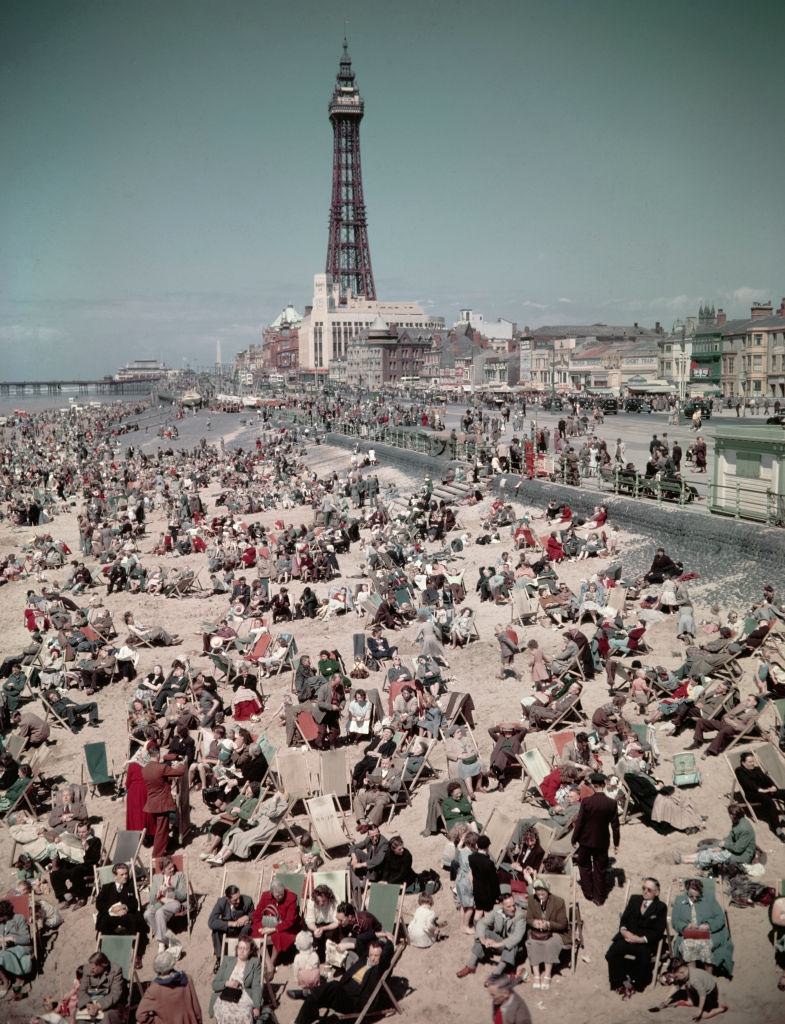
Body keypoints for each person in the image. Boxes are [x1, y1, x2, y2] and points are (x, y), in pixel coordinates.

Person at [289, 938, 393, 1023]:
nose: (373, 958)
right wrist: (380, 935)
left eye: (376, 956)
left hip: (353, 1002)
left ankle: (307, 992)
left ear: (381, 956)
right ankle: (299, 1022)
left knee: (333, 985)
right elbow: (362, 939)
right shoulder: (363, 959)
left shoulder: (379, 968)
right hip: (343, 992)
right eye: (371, 955)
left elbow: (388, 951)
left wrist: (389, 940)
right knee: (314, 997)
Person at [605, 877, 667, 994]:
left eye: (649, 890)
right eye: (644, 888)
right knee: (611, 954)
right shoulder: (634, 899)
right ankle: (617, 982)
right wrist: (624, 931)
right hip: (627, 937)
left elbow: (658, 931)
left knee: (644, 959)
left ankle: (635, 983)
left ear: (656, 892)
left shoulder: (660, 907)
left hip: (643, 942)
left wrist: (640, 939)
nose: (645, 891)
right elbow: (624, 919)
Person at [572, 772, 620, 906]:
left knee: (584, 865)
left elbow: (580, 822)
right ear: (604, 785)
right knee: (600, 869)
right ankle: (599, 898)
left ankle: (588, 892)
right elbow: (615, 826)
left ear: (593, 785)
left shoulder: (587, 802)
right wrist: (616, 843)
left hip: (586, 840)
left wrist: (574, 838)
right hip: (602, 840)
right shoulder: (611, 803)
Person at [671, 878, 734, 977]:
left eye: (697, 896)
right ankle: (694, 977)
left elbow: (720, 918)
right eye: (691, 896)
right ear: (687, 891)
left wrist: (708, 925)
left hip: (709, 934)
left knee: (705, 946)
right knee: (688, 946)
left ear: (701, 892)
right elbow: (675, 921)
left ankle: (708, 978)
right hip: (688, 935)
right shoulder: (679, 901)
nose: (694, 899)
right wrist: (686, 926)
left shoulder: (709, 899)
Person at [456, 893, 526, 980]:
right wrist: (483, 939)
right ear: (501, 905)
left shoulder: (520, 916)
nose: (512, 909)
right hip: (500, 942)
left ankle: (496, 974)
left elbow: (516, 937)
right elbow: (482, 923)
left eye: (513, 905)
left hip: (515, 948)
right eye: (508, 906)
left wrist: (496, 944)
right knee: (483, 932)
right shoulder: (497, 909)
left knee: (512, 944)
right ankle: (470, 966)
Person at [95, 862, 147, 968]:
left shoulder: (130, 886)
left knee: (135, 920)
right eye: (122, 874)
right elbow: (99, 903)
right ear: (115, 876)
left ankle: (137, 955)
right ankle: (106, 956)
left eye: (126, 874)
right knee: (103, 923)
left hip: (126, 915)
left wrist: (125, 907)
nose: (125, 876)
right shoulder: (106, 887)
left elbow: (135, 903)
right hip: (110, 916)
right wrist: (112, 909)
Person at [674, 803, 756, 870]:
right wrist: (721, 846)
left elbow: (738, 849)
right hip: (734, 848)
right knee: (711, 850)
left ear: (732, 815)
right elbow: (732, 835)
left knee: (712, 856)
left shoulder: (744, 829)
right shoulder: (738, 821)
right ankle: (683, 857)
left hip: (743, 855)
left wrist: (725, 845)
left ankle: (684, 860)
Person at [136, 949, 203, 1024]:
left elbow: (140, 1015)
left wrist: (155, 1021)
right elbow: (197, 1010)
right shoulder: (187, 979)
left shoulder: (154, 989)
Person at [524, 877, 568, 990]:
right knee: (531, 943)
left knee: (550, 944)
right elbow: (528, 918)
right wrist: (534, 922)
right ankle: (537, 975)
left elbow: (563, 924)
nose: (540, 892)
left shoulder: (559, 902)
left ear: (548, 890)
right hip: (537, 932)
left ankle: (547, 975)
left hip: (555, 932)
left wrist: (548, 924)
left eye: (542, 889)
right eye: (537, 889)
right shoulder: (531, 899)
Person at [142, 745, 186, 857]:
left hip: (152, 803)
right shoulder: (161, 768)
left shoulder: (145, 769)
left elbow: (164, 760)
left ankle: (160, 850)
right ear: (157, 754)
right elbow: (180, 772)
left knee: (159, 829)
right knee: (162, 831)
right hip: (161, 804)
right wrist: (182, 763)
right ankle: (158, 855)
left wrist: (174, 756)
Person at [649, 958, 728, 1019]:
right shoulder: (686, 972)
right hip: (702, 986)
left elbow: (702, 994)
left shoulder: (693, 979)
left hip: (710, 993)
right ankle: (690, 1001)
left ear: (682, 972)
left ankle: (721, 1009)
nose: (675, 979)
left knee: (704, 1016)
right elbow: (676, 986)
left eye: (676, 977)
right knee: (686, 984)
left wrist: (699, 1010)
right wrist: (665, 1000)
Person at [252, 879, 301, 971]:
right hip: (267, 923)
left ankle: (271, 962)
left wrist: (273, 929)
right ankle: (269, 964)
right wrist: (262, 927)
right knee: (257, 933)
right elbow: (257, 915)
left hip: (285, 926)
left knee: (279, 935)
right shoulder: (265, 896)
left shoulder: (291, 898)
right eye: (277, 895)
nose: (280, 897)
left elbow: (290, 921)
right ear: (271, 893)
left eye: (282, 894)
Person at [734, 750, 785, 839]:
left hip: (766, 791)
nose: (753, 763)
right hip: (753, 794)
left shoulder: (757, 769)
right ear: (743, 763)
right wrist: (760, 789)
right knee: (769, 801)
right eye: (750, 762)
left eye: (753, 761)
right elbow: (747, 783)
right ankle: (777, 828)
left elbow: (766, 779)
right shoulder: (739, 771)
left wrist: (772, 786)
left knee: (783, 792)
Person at [210, 935, 262, 1021]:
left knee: (244, 1014)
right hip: (225, 995)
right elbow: (214, 984)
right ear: (237, 948)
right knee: (225, 1013)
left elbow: (256, 986)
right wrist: (227, 983)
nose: (242, 951)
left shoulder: (254, 963)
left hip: (244, 997)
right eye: (240, 947)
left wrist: (257, 1006)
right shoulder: (227, 961)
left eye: (245, 949)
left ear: (250, 951)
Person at [145, 855, 188, 954]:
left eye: (173, 867)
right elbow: (151, 900)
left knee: (160, 912)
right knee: (147, 914)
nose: (172, 869)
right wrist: (157, 893)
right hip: (159, 903)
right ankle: (169, 939)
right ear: (163, 870)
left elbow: (183, 895)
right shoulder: (156, 878)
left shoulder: (179, 875)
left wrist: (171, 888)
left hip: (175, 903)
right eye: (169, 868)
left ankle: (161, 943)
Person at [208, 885, 255, 971]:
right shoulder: (221, 902)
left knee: (248, 927)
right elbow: (211, 922)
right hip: (229, 929)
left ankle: (240, 957)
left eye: (239, 897)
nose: (239, 901)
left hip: (242, 929)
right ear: (228, 899)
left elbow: (255, 914)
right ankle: (220, 958)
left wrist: (247, 917)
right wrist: (230, 923)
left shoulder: (247, 900)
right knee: (216, 930)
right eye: (235, 900)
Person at [75, 951, 125, 1024]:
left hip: (109, 1006)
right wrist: (88, 1004)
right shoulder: (87, 968)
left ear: (103, 965)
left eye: (94, 968)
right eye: (91, 966)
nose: (91, 970)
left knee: (105, 1018)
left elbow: (115, 994)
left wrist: (98, 1006)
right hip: (91, 1002)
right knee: (81, 1019)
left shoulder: (115, 971)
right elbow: (82, 990)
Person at [0, 898, 32, 999]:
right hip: (6, 948)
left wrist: (11, 938)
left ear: (5, 914)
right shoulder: (1, 924)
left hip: (21, 947)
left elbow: (26, 939)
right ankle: (6, 980)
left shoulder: (19, 918)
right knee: (4, 953)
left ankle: (17, 979)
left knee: (4, 955)